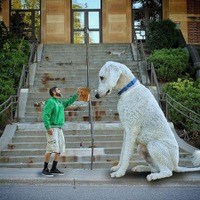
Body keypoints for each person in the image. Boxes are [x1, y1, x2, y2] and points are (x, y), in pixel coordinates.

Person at [42, 86, 80, 177]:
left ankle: (54, 168)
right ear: (54, 92)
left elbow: (69, 102)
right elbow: (46, 115)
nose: (60, 90)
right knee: (50, 149)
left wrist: (77, 94)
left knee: (59, 149)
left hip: (59, 128)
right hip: (52, 128)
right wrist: (48, 127)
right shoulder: (50, 102)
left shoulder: (60, 102)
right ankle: (45, 168)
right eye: (58, 89)